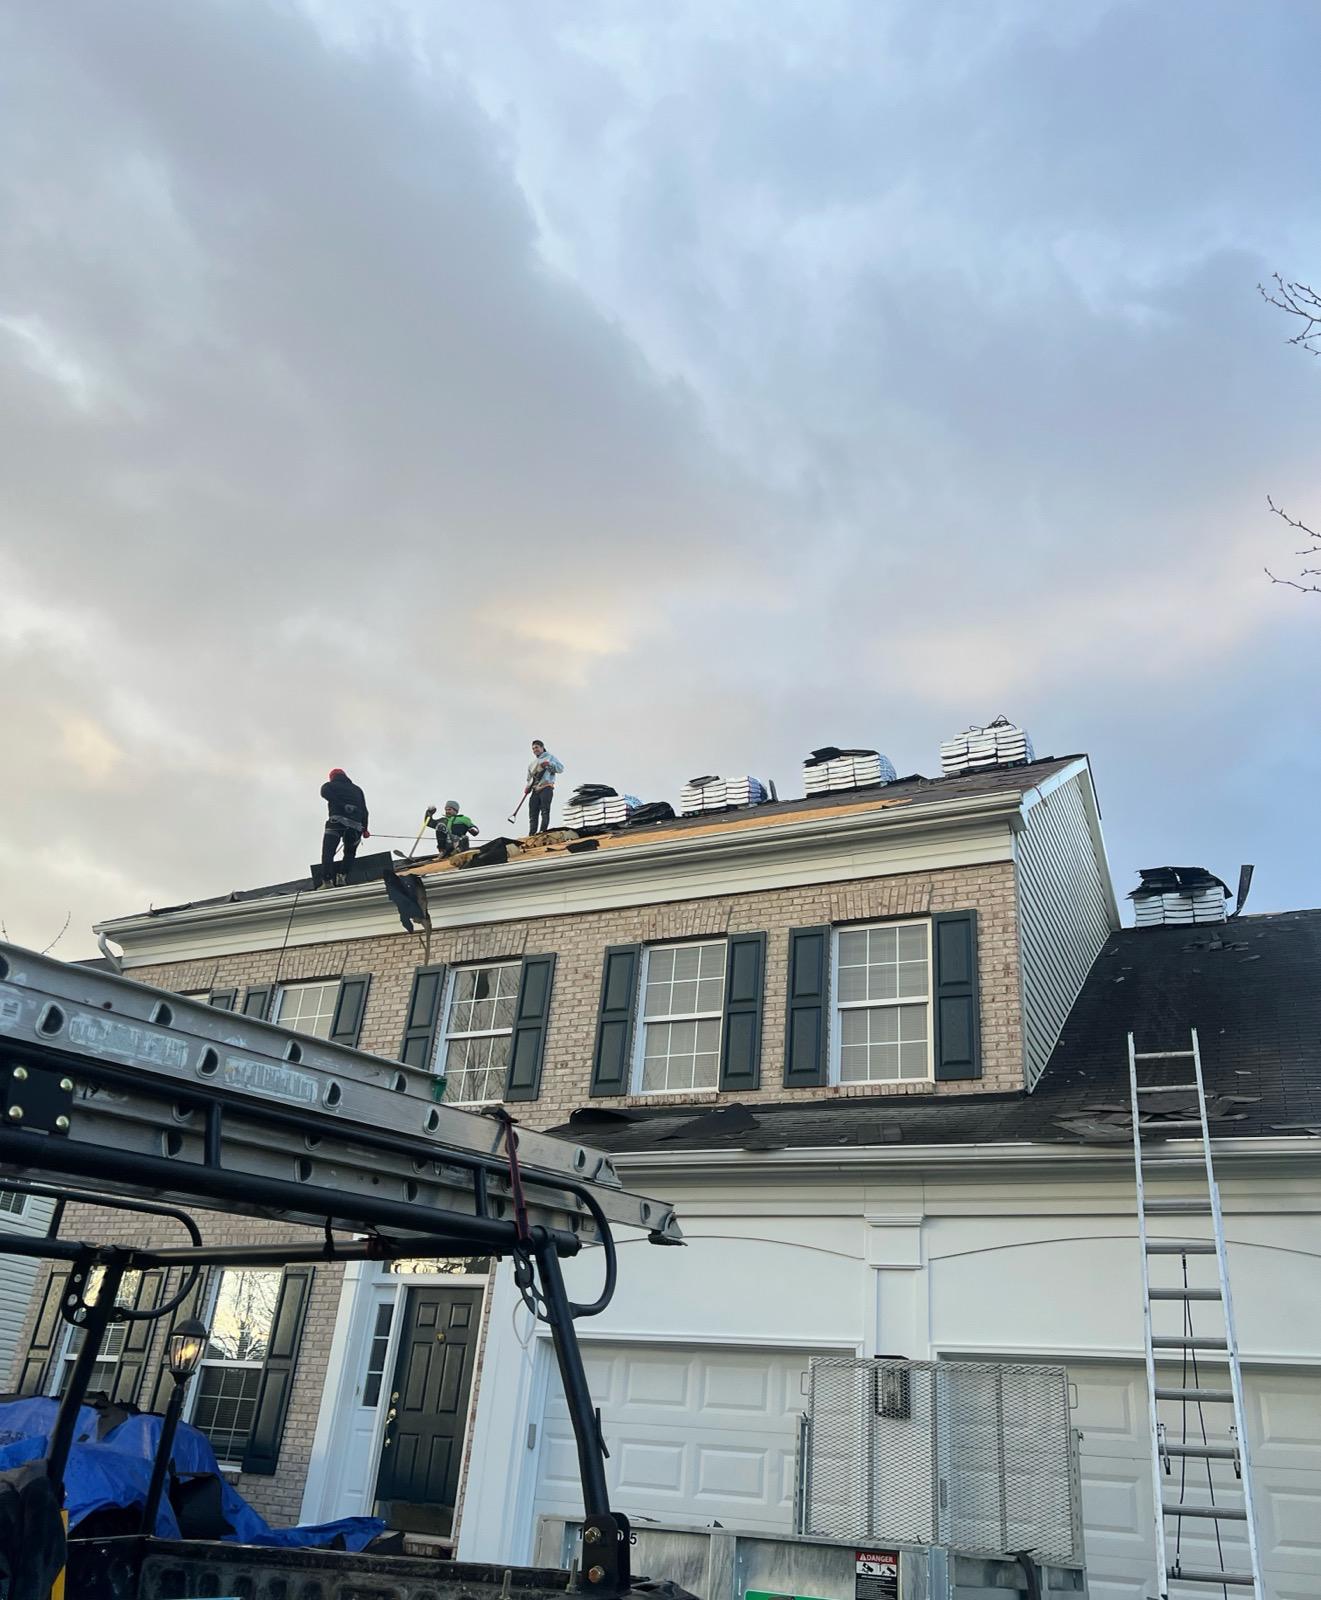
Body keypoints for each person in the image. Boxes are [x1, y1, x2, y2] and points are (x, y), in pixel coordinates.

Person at [320, 768, 369, 887]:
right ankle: (342, 877)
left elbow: (325, 793)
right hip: (356, 826)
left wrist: (342, 805)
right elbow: (365, 811)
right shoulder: (357, 790)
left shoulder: (329, 786)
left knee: (328, 851)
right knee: (350, 852)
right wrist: (365, 829)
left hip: (336, 823)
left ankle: (327, 881)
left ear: (332, 777)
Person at [524, 739, 564, 833]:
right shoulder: (532, 764)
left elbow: (560, 769)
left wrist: (550, 764)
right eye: (533, 748)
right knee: (533, 814)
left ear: (542, 747)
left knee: (545, 811)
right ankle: (532, 834)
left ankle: (542, 831)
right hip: (535, 790)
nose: (535, 750)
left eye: (537, 747)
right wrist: (527, 787)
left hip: (546, 787)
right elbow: (529, 779)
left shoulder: (550, 757)